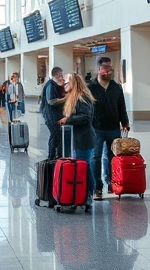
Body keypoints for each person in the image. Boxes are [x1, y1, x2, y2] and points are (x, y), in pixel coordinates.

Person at [87, 57, 130, 201]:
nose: (108, 71)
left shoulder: (116, 87)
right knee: (96, 157)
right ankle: (97, 188)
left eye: (110, 68)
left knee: (112, 157)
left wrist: (125, 122)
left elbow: (121, 106)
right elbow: (86, 108)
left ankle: (111, 183)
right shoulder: (90, 87)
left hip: (113, 128)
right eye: (105, 68)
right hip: (96, 128)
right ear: (99, 70)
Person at [56, 72, 97, 213]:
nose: (64, 83)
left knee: (84, 168)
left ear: (75, 82)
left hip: (83, 140)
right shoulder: (72, 98)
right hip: (77, 139)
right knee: (80, 168)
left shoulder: (82, 97)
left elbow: (86, 117)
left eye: (67, 81)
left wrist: (69, 120)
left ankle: (87, 196)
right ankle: (78, 196)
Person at [39, 67, 66, 160]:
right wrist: (64, 99)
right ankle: (52, 157)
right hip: (51, 116)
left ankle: (54, 156)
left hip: (55, 115)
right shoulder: (51, 85)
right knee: (55, 135)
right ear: (57, 75)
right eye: (61, 75)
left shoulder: (55, 85)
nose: (62, 77)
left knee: (56, 136)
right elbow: (51, 101)